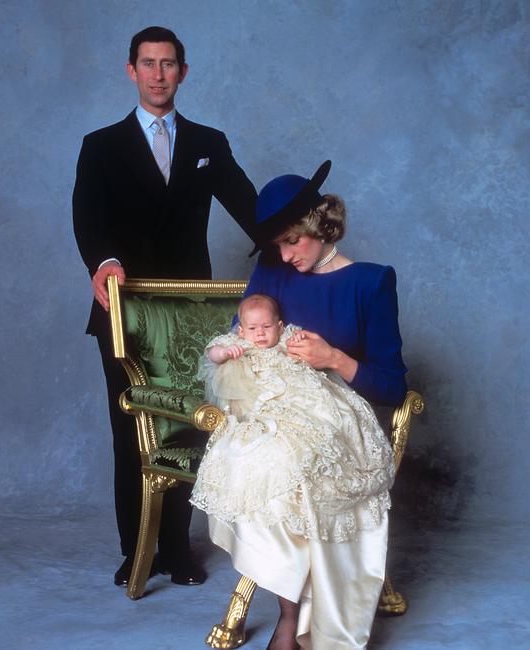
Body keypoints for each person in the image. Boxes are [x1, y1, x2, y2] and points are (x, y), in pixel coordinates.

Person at [72, 25, 257, 588]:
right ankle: (140, 549)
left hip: (190, 315)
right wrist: (103, 261)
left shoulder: (208, 142)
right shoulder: (100, 145)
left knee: (188, 426)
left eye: (168, 64)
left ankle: (178, 548)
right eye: (147, 64)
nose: (158, 74)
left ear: (183, 71)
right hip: (124, 310)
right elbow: (88, 217)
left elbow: (252, 208)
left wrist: (304, 235)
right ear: (132, 71)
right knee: (131, 429)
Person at [197, 161, 407, 649]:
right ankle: (291, 613)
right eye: (278, 245)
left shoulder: (371, 282)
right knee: (249, 460)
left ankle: (298, 624)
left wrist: (333, 357)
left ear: (320, 226)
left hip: (338, 419)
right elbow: (241, 339)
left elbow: (392, 388)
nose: (286, 256)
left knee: (288, 465)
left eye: (293, 241)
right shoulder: (270, 271)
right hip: (274, 409)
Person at [192, 293, 396, 647]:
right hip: (262, 414)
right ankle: (291, 612)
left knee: (324, 440)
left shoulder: (289, 339)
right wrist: (226, 354)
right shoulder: (236, 343)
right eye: (252, 328)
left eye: (267, 327)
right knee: (267, 465)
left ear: (280, 326)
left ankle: (310, 610)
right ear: (241, 329)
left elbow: (312, 358)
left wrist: (304, 347)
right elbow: (212, 356)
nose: (259, 334)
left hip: (302, 406)